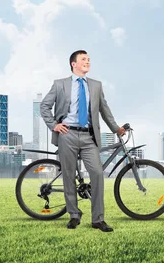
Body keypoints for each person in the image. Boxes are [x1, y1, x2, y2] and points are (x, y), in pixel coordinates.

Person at [40, 50, 125, 232]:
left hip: (89, 136)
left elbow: (105, 110)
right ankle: (74, 215)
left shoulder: (96, 85)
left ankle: (98, 219)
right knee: (69, 176)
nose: (88, 62)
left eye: (89, 59)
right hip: (67, 135)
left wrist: (116, 129)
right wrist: (54, 125)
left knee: (97, 173)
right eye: (83, 59)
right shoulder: (59, 84)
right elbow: (44, 106)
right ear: (74, 64)